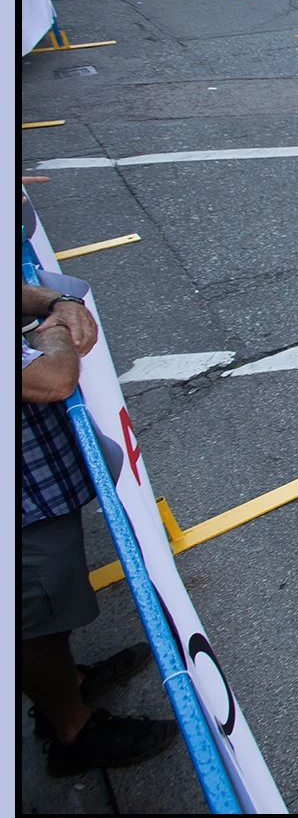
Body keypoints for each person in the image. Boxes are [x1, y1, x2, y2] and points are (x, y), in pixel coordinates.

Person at [21, 281, 178, 776]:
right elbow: (53, 377)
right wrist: (55, 332)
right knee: (34, 620)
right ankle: (71, 729)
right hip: (22, 507)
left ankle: (68, 682)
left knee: (50, 606)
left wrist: (53, 303)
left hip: (35, 483)